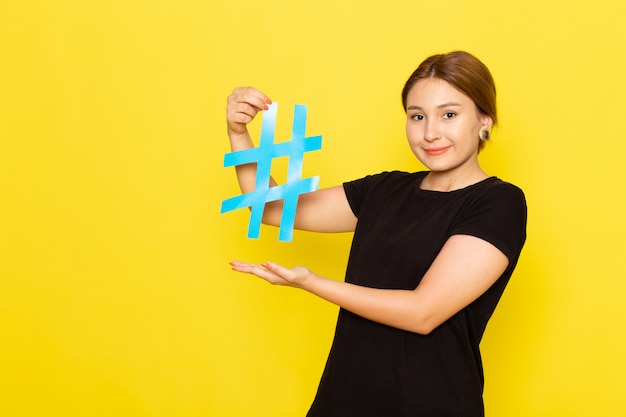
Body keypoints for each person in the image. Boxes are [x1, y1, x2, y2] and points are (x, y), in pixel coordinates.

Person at [226, 50, 527, 416]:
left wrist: (310, 281)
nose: (430, 133)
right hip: (343, 399)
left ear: (485, 120)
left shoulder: (499, 203)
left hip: (431, 404)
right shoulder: (384, 190)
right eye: (417, 116)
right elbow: (269, 208)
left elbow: (423, 312)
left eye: (449, 115)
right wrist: (239, 133)